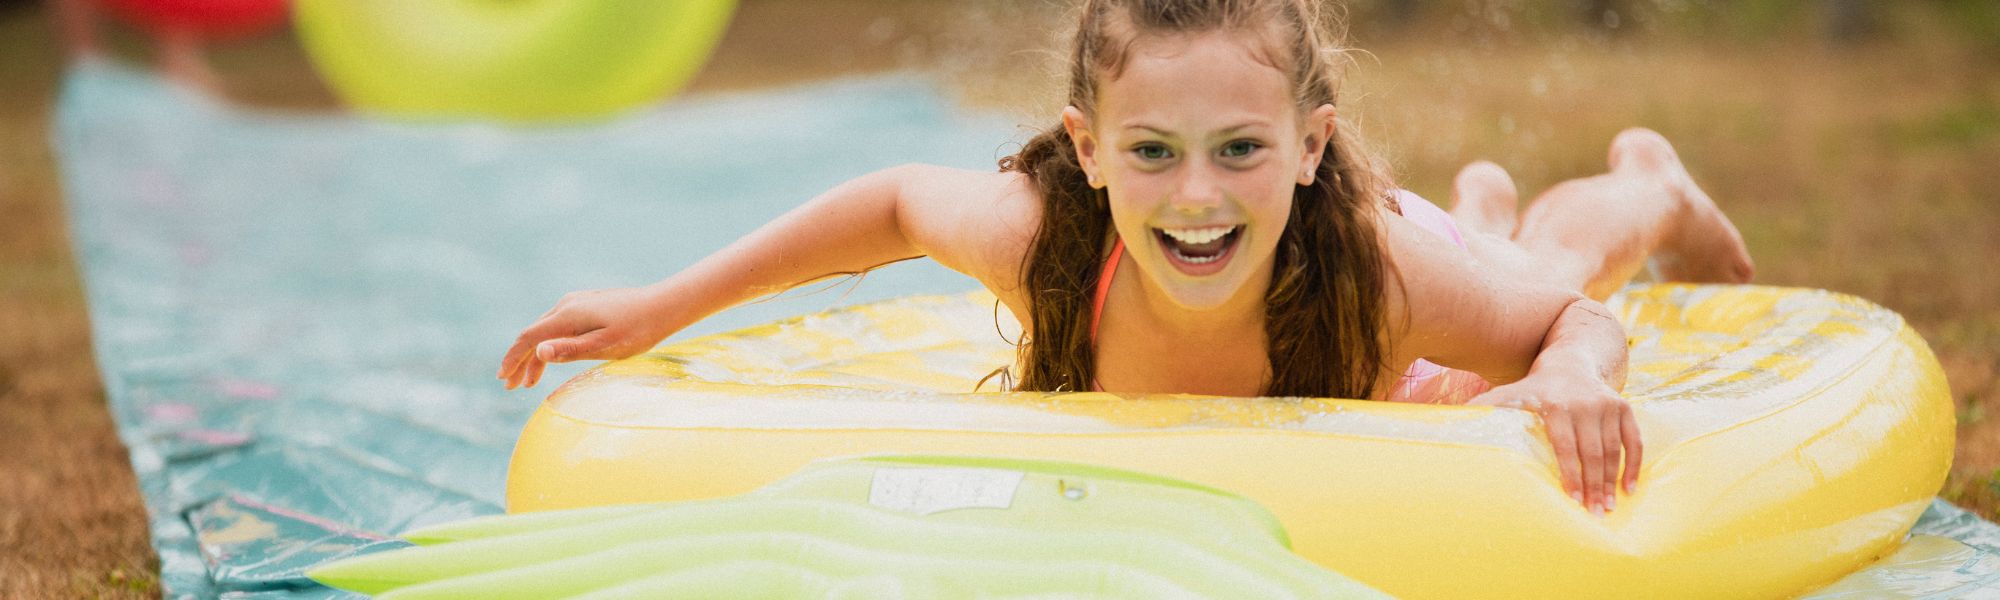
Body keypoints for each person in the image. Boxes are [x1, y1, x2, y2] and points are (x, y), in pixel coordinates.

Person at [496, 0, 1754, 517]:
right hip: (1357, 241)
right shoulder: (1046, 238)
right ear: (1085, 152)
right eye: (1151, 151)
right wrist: (659, 306)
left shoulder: (1375, 280)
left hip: (1394, 277)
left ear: (1310, 145)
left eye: (1235, 150)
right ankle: (1493, 206)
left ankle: (1645, 185)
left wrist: (1575, 371)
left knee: (1531, 274)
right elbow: (886, 202)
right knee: (1497, 261)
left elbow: (1565, 330)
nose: (1193, 197)